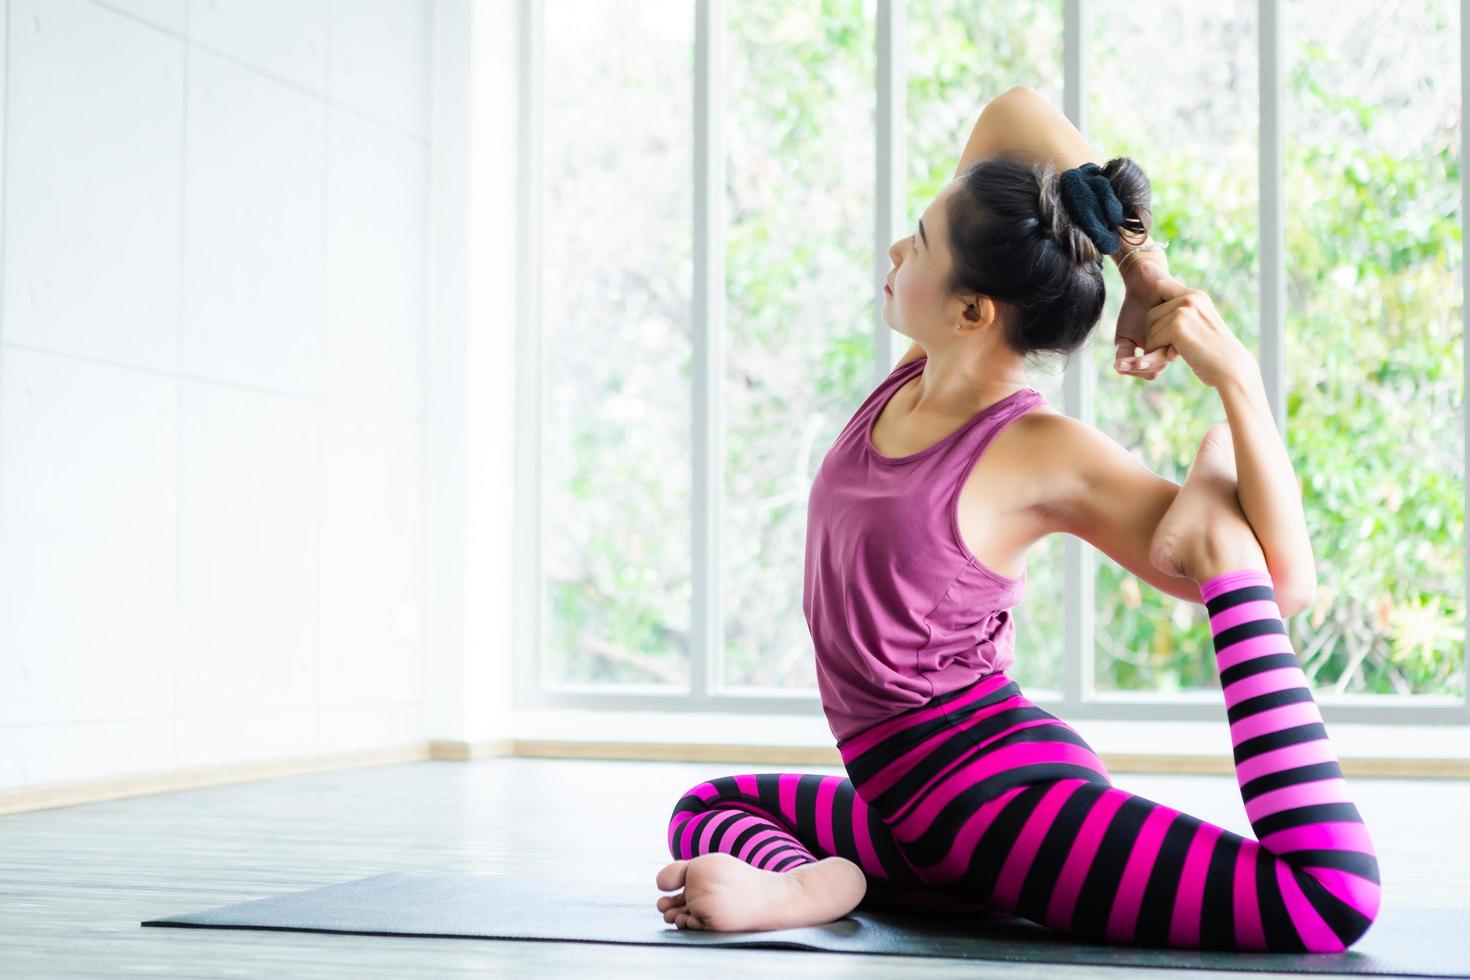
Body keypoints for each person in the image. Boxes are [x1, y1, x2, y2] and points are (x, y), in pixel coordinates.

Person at [654, 86, 1379, 952]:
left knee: (1326, 902)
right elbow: (1014, 113)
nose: (894, 248)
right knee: (706, 807)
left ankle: (1211, 528)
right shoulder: (916, 376)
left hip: (1001, 806)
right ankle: (825, 881)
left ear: (971, 311)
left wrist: (1238, 383)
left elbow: (1285, 585)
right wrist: (1137, 263)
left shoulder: (1041, 449)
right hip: (900, 803)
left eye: (918, 241)